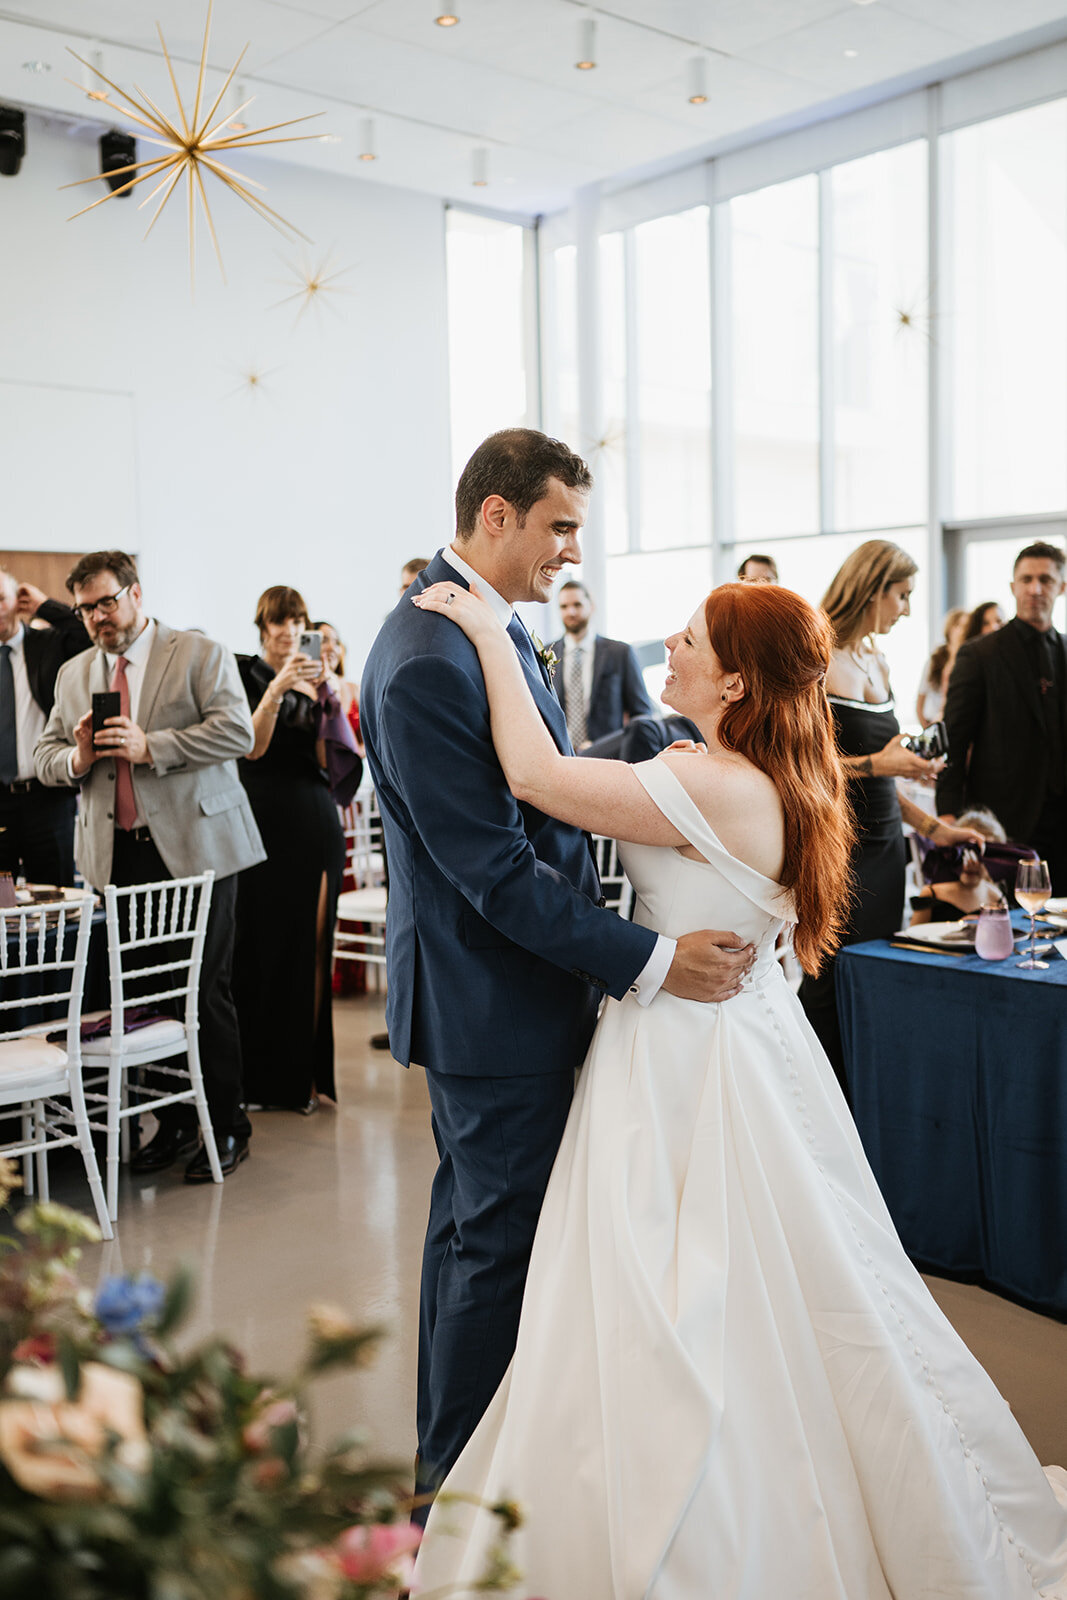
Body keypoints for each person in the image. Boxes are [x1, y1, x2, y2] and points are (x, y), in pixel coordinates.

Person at [410, 575, 1067, 1599]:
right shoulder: (745, 773)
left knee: (682, 1279)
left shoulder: (713, 787)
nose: (666, 643)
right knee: (767, 1274)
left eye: (689, 638)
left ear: (735, 682)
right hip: (729, 1036)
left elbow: (533, 777)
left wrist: (494, 630)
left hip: (685, 1052)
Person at [360, 427, 756, 1516]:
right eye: (560, 526)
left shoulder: (481, 630)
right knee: (492, 1251)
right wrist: (647, 962)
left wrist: (665, 741)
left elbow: (545, 769)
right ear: (498, 515)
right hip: (492, 1002)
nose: (572, 551)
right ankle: (455, 1503)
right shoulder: (428, 657)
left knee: (472, 1240)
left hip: (509, 994)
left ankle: (462, 1475)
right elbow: (493, 870)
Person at [34, 550, 263, 1182]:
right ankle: (175, 1124)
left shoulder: (197, 652)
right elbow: (46, 755)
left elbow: (235, 733)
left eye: (106, 602)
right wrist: (78, 758)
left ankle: (226, 1126)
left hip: (200, 850)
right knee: (139, 994)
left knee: (200, 989)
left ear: (135, 593)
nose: (97, 618)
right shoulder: (76, 672)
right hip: (116, 855)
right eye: (85, 608)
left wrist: (150, 746)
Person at [797, 541, 983, 1087]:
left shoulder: (876, 660)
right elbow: (805, 769)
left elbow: (880, 775)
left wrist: (932, 827)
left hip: (885, 848)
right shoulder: (815, 659)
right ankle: (827, 1110)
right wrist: (881, 762)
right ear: (873, 588)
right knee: (831, 986)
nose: (905, 609)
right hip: (839, 851)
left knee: (871, 978)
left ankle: (869, 1110)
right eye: (901, 596)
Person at [233, 588, 354, 1114]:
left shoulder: (316, 685)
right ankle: (259, 1080)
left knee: (310, 948)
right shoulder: (243, 674)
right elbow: (251, 746)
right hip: (256, 823)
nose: (289, 630)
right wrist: (280, 687)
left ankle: (306, 1078)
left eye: (297, 620)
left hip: (311, 822)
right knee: (257, 949)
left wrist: (326, 692)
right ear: (262, 628)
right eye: (279, 621)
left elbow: (333, 761)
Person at [938, 542, 1067, 893]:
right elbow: (954, 738)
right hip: (1004, 816)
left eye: (1045, 579)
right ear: (1013, 587)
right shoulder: (980, 654)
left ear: (1062, 586)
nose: (1035, 588)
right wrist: (947, 815)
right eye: (1026, 579)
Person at [0, 570, 89, 886]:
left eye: (0, 599)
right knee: (3, 900)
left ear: (18, 603)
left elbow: (86, 633)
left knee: (54, 898)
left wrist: (45, 606)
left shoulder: (46, 644)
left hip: (46, 795)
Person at [548, 579, 655, 749]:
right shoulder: (547, 653)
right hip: (559, 756)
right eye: (564, 607)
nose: (571, 612)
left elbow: (641, 714)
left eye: (577, 604)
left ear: (591, 606)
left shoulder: (620, 652)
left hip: (609, 756)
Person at [313, 619, 363, 754]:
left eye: (336, 642)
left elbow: (370, 741)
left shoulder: (354, 689)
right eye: (324, 641)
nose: (332, 648)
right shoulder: (304, 690)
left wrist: (353, 755)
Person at [915, 606, 969, 727]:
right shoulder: (934, 661)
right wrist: (927, 730)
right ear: (949, 629)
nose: (963, 630)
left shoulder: (968, 661)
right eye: (958, 625)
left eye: (966, 626)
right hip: (933, 723)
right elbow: (919, 703)